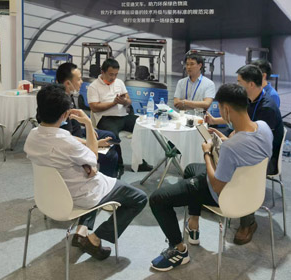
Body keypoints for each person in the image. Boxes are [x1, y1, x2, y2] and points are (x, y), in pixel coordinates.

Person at [148, 83, 272, 272]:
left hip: (226, 196)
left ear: (226, 110)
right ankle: (193, 223)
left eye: (220, 108)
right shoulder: (263, 128)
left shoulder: (231, 148)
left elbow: (216, 186)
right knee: (191, 169)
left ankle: (179, 251)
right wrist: (222, 140)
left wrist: (207, 153)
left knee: (157, 199)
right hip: (253, 193)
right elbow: (245, 148)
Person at [24, 85, 147, 260]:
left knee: (92, 179)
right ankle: (94, 239)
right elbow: (93, 158)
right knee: (139, 198)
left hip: (48, 196)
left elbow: (60, 153)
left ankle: (81, 231)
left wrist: (84, 165)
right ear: (65, 114)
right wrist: (89, 124)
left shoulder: (32, 136)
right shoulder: (66, 142)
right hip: (79, 196)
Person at [205, 65, 281, 244]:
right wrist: (226, 138)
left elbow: (254, 145)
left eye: (239, 82)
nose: (237, 86)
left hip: (266, 159)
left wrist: (215, 150)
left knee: (238, 168)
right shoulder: (252, 102)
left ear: (251, 84)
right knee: (228, 156)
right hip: (254, 149)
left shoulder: (267, 108)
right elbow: (242, 125)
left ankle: (247, 222)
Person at [87, 58, 152, 174]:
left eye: (116, 74)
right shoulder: (93, 86)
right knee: (112, 136)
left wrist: (125, 101)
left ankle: (139, 163)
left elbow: (129, 100)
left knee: (142, 126)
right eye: (111, 74)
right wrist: (113, 103)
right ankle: (118, 165)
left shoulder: (119, 83)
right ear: (102, 72)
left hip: (123, 116)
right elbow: (94, 107)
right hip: (105, 119)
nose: (113, 77)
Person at [56, 62, 119, 178]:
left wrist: (89, 129)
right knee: (111, 155)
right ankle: (105, 181)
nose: (81, 82)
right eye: (79, 79)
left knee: (110, 136)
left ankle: (117, 171)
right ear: (68, 83)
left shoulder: (68, 95)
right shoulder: (60, 104)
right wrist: (94, 143)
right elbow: (66, 138)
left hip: (77, 132)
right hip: (73, 142)